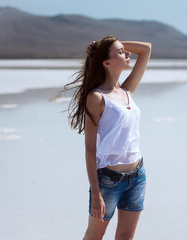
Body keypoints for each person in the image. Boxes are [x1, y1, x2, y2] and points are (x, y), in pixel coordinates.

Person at [62, 35, 151, 240]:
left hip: (137, 175)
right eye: (120, 52)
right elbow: (90, 149)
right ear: (106, 62)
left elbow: (146, 49)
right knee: (94, 236)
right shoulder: (96, 98)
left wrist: (103, 46)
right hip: (108, 180)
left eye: (124, 50)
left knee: (126, 237)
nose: (127, 54)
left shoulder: (127, 90)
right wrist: (96, 193)